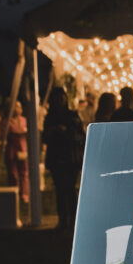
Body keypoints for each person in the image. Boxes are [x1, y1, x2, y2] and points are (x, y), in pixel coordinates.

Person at [43, 88, 84, 230]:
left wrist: (68, 131)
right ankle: (63, 220)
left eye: (62, 98)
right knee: (60, 190)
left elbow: (80, 135)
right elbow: (45, 137)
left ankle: (73, 220)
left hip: (70, 157)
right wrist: (55, 130)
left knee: (71, 190)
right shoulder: (50, 118)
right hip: (57, 157)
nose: (60, 101)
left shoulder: (72, 115)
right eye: (57, 99)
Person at [5, 103, 30, 203]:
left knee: (24, 172)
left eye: (19, 106)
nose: (17, 108)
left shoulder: (24, 120)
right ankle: (13, 193)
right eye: (15, 106)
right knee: (12, 173)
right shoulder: (7, 121)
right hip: (11, 147)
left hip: (22, 147)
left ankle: (24, 194)